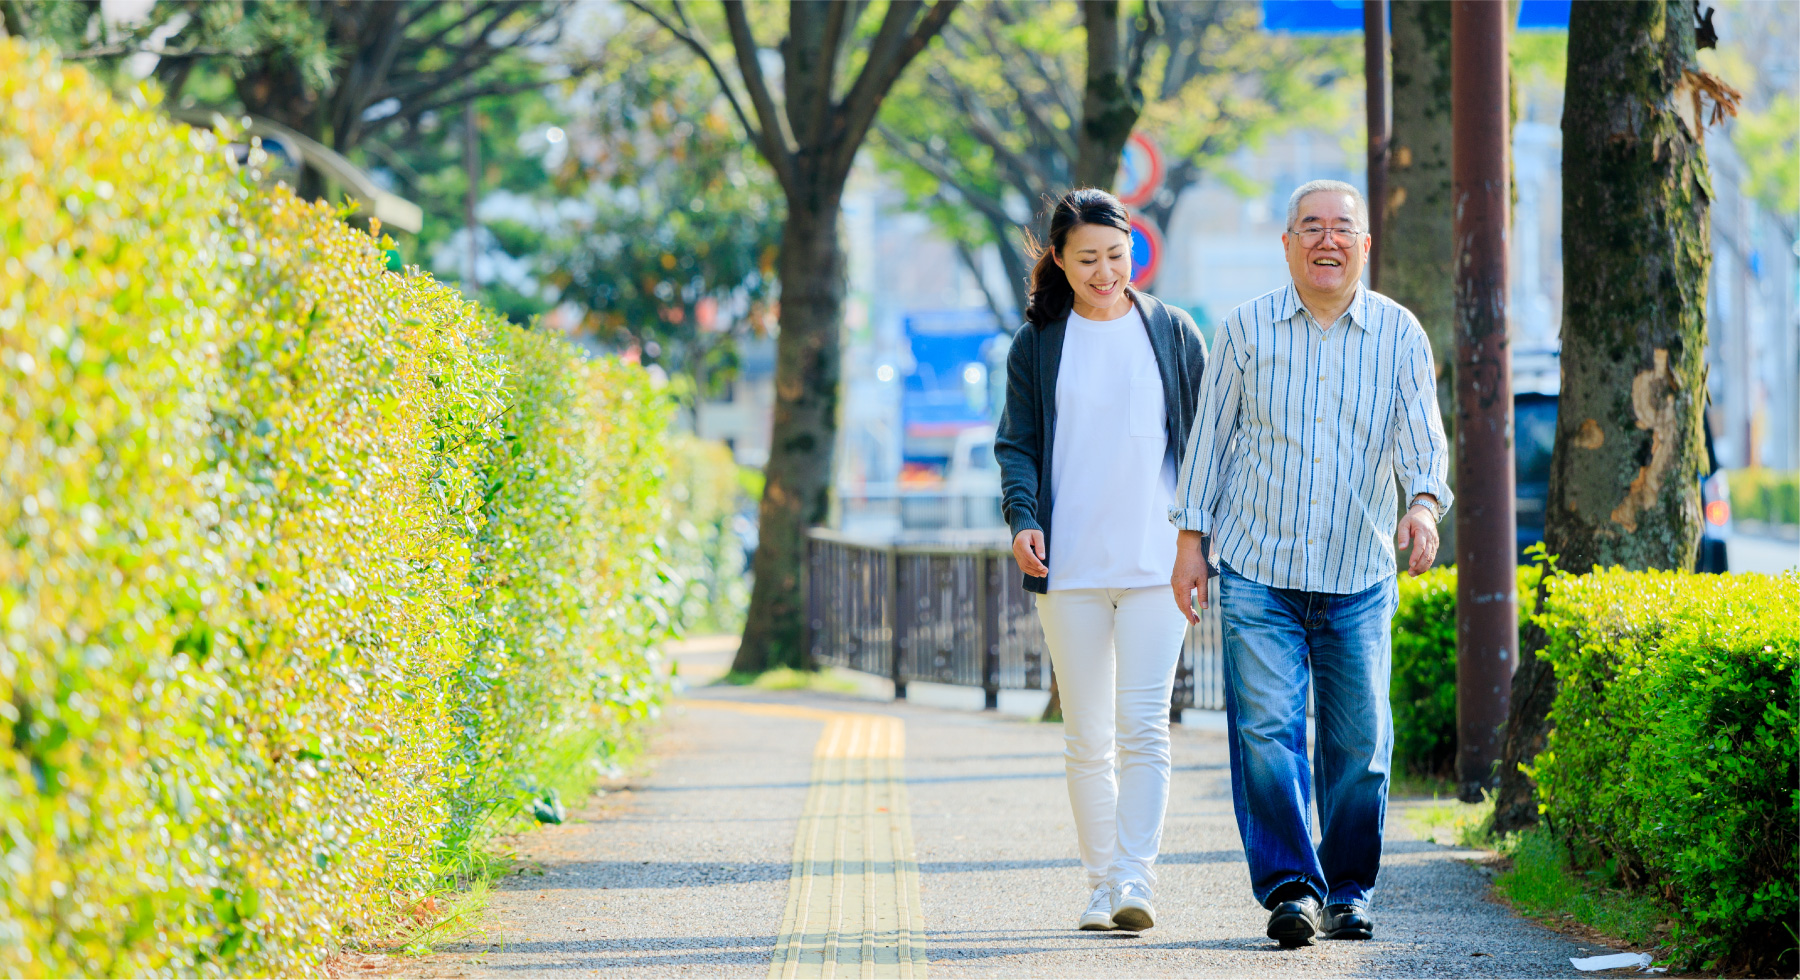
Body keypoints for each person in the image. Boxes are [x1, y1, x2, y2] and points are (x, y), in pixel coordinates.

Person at [1167, 180, 1451, 947]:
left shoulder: (1398, 335)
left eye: (1342, 229)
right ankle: (1292, 889)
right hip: (1259, 568)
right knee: (1267, 734)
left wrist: (1422, 507)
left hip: (1358, 574)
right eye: (1312, 227)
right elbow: (1210, 444)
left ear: (1365, 245)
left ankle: (1350, 889)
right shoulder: (1245, 329)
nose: (1328, 241)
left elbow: (1423, 441)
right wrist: (1190, 543)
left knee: (1361, 744)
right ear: (1287, 242)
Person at [995, 188, 1211, 933]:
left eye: (1115, 256)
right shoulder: (1039, 342)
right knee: (1086, 733)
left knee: (1146, 726)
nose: (1104, 271)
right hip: (1072, 567)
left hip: (1160, 563)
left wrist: (1201, 541)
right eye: (1087, 259)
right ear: (1059, 258)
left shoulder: (1175, 332)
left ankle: (1135, 880)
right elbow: (1016, 445)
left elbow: (1206, 447)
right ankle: (1098, 882)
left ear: (1133, 251)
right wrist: (1023, 518)